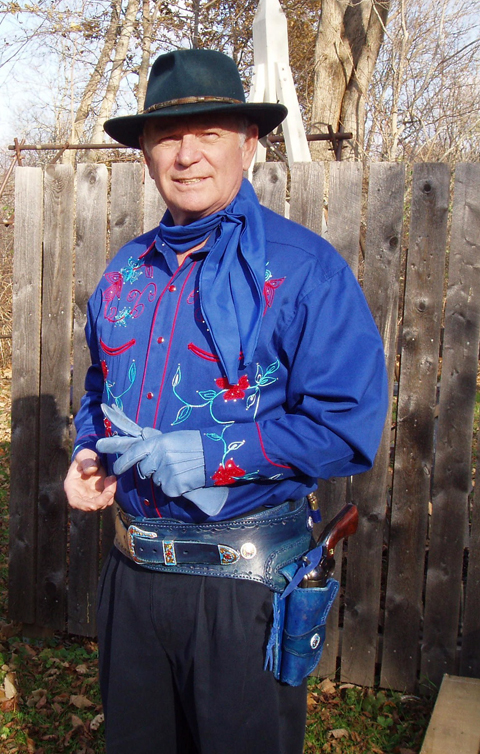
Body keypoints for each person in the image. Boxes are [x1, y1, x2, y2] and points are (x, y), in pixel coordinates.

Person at [64, 48, 388, 754]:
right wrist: (88, 451)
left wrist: (214, 454)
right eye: (167, 136)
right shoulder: (125, 273)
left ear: (249, 143)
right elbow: (98, 386)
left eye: (209, 133)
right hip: (132, 581)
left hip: (245, 590)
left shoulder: (306, 272)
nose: (187, 155)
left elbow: (346, 426)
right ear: (146, 154)